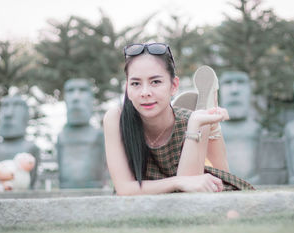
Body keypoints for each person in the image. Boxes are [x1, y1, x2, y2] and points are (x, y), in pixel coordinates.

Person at [103, 43, 254, 195]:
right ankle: (208, 125)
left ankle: (211, 127)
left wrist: (195, 125)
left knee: (199, 123)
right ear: (127, 89)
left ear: (174, 86)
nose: (145, 92)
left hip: (190, 191)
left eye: (155, 82)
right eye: (135, 83)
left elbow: (187, 197)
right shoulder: (116, 118)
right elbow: (124, 188)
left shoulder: (195, 122)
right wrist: (177, 181)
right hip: (143, 203)